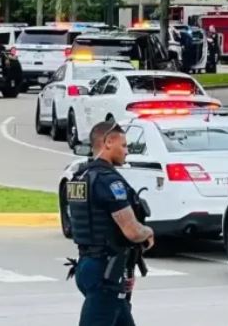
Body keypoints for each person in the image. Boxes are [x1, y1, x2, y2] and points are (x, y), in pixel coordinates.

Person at [67, 121, 155, 326]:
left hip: (88, 265)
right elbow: (132, 231)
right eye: (123, 146)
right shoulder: (108, 181)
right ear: (108, 143)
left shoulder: (81, 176)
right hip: (105, 273)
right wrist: (148, 231)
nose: (127, 151)